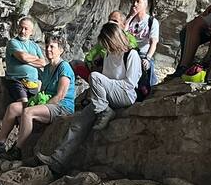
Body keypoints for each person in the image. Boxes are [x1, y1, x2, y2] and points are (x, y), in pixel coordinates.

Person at [38, 23, 142, 173]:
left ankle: (104, 110)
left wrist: (104, 85)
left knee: (95, 77)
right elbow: (105, 78)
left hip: (125, 94)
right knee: (79, 122)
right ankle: (57, 160)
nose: (106, 46)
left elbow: (130, 83)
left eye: (107, 43)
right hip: (107, 97)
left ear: (115, 39)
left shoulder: (131, 55)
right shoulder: (108, 55)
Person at [0, 34, 75, 158]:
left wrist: (38, 106)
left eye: (52, 47)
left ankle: (18, 150)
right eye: (47, 46)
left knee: (28, 112)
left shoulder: (64, 67)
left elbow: (60, 96)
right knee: (13, 108)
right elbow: (41, 90)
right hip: (47, 102)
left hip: (62, 106)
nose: (48, 49)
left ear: (61, 50)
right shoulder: (47, 68)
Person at [125, 0, 159, 85]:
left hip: (143, 54)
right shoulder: (130, 20)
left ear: (145, 5)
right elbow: (121, 34)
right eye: (133, 2)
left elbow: (153, 43)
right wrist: (131, 16)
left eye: (138, 2)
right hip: (129, 53)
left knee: (147, 76)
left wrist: (148, 58)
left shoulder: (152, 22)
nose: (134, 4)